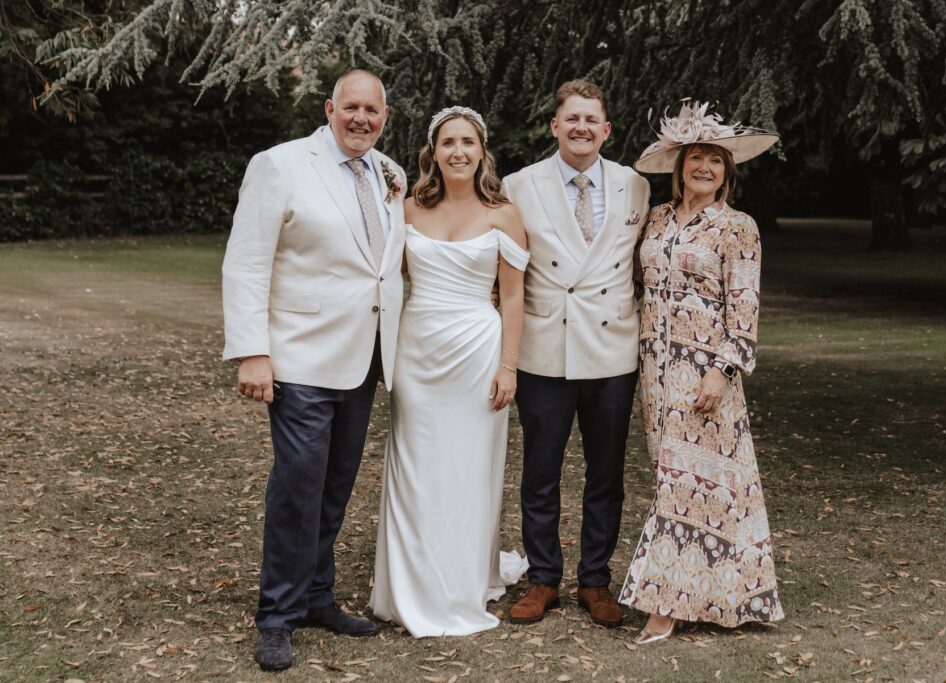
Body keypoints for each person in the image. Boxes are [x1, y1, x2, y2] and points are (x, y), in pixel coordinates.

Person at [221, 70, 406, 671]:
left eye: (371, 111)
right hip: (300, 357)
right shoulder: (279, 164)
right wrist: (253, 350)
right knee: (298, 486)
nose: (361, 119)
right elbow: (247, 261)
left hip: (364, 358)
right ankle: (276, 615)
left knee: (334, 486)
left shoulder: (385, 173)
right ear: (330, 108)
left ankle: (316, 597)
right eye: (350, 107)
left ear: (384, 115)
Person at [618, 99, 785, 643]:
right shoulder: (660, 218)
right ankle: (723, 596)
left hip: (704, 372)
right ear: (680, 165)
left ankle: (665, 602)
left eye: (716, 160)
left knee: (689, 483)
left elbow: (745, 305)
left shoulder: (738, 227)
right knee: (680, 478)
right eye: (696, 158)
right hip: (655, 367)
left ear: (727, 171)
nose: (705, 168)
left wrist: (722, 370)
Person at [369, 106, 530, 637]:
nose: (458, 151)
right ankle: (410, 585)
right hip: (417, 353)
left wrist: (509, 367)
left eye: (467, 142)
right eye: (447, 143)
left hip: (478, 355)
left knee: (468, 470)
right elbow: (387, 276)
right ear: (432, 153)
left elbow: (511, 297)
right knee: (416, 468)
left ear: (482, 150)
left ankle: (460, 581)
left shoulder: (503, 213)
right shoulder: (407, 209)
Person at [502, 80, 651, 627]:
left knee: (605, 473)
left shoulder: (636, 186)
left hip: (613, 350)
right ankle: (543, 577)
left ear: (606, 130)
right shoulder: (519, 185)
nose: (582, 127)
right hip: (546, 348)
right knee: (540, 471)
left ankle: (595, 579)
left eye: (592, 119)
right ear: (555, 126)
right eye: (572, 119)